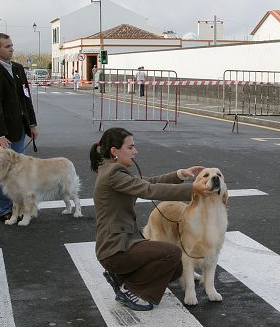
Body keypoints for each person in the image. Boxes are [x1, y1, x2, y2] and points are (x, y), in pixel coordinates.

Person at [89, 127, 213, 311]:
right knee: (171, 253)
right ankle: (132, 290)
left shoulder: (114, 171)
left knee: (177, 267)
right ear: (114, 151)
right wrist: (193, 189)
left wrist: (180, 174)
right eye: (130, 147)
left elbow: (149, 182)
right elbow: (149, 190)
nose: (135, 151)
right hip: (115, 250)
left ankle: (122, 278)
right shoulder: (113, 174)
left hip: (121, 247)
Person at [0, 33, 38, 221]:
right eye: (7, 46)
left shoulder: (18, 68)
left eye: (12, 45)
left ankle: (19, 208)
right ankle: (2, 210)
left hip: (19, 129)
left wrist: (32, 123)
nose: (11, 49)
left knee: (18, 170)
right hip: (3, 134)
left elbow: (26, 97)